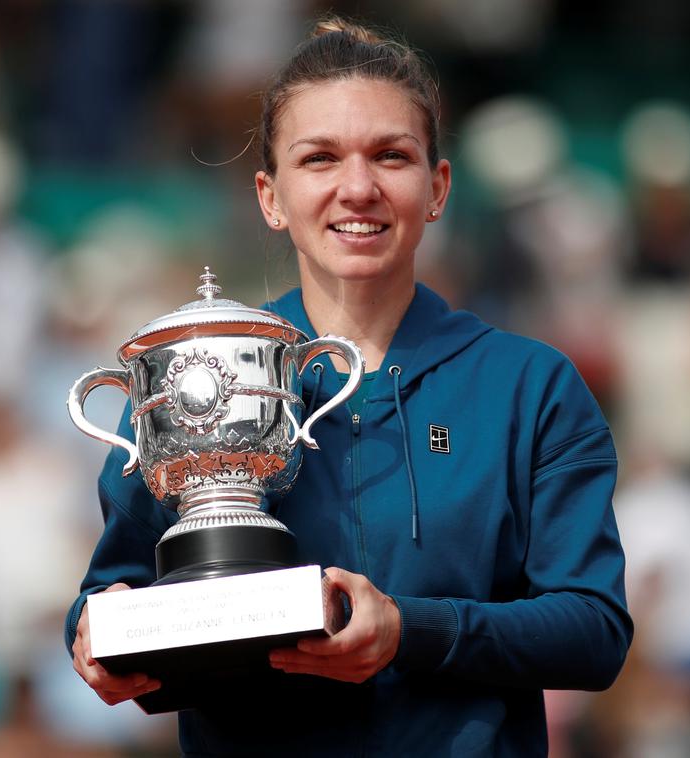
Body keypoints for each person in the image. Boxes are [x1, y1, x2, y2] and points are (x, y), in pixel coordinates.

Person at [67, 17, 632, 756]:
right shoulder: (198, 371)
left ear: (437, 188)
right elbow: (114, 588)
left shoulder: (529, 385)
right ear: (270, 196)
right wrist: (97, 635)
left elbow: (594, 630)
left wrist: (411, 630)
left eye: (390, 156)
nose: (357, 188)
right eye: (320, 158)